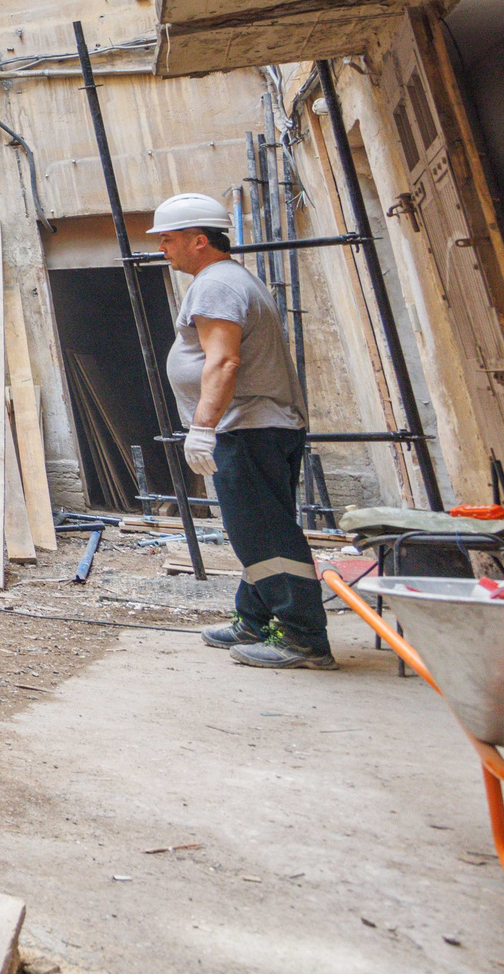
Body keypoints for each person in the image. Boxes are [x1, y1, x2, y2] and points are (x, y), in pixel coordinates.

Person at [152, 193, 331, 670]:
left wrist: (202, 428)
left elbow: (224, 361)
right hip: (259, 427)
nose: (162, 248)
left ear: (199, 240)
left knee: (265, 534)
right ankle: (254, 620)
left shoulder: (215, 285)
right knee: (258, 529)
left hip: (247, 428)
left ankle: (303, 639)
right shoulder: (229, 279)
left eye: (168, 239)